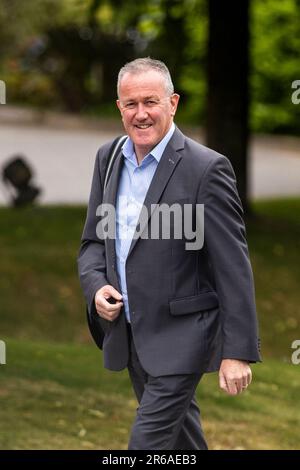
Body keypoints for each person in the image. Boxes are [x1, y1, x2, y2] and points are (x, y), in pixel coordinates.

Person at [77, 58, 261, 450]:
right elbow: (94, 242)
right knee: (183, 443)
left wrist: (238, 351)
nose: (140, 113)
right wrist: (96, 289)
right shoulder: (108, 159)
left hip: (183, 338)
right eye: (131, 104)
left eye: (151, 102)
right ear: (119, 108)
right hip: (130, 335)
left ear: (172, 103)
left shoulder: (207, 168)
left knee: (145, 446)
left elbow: (233, 266)